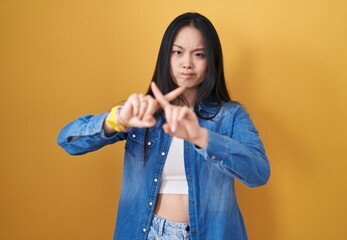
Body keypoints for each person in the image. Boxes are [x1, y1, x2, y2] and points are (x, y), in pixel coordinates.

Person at [57, 12, 270, 240]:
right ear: (165, 57)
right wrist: (117, 120)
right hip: (149, 234)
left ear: (212, 60)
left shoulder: (230, 115)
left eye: (198, 54)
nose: (187, 63)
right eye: (177, 52)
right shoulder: (142, 112)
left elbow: (258, 172)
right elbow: (68, 141)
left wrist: (201, 137)